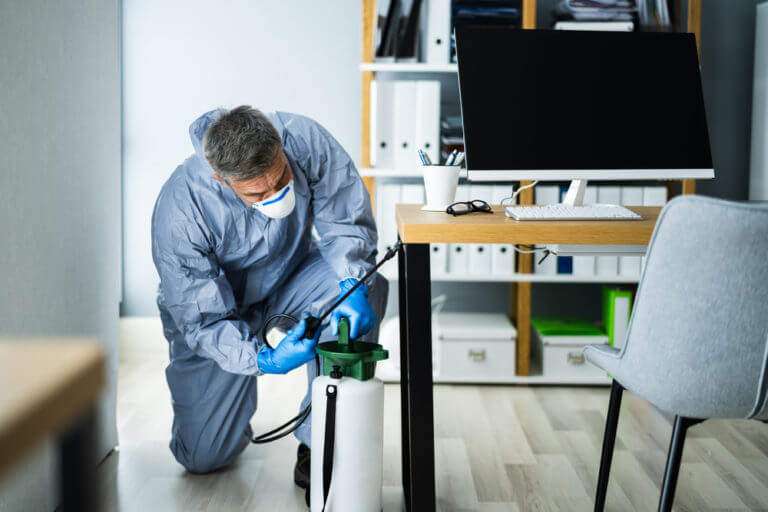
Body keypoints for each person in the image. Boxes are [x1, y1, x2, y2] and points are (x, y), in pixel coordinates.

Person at [151, 106, 388, 490]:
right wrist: (261, 358)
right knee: (204, 456)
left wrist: (352, 282)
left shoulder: (303, 139)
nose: (276, 195)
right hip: (218, 320)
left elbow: (345, 223)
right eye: (258, 193)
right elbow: (202, 320)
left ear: (280, 147)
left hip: (289, 286)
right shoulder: (180, 211)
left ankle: (322, 441)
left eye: (281, 179)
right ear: (222, 180)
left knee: (366, 282)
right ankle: (230, 406)